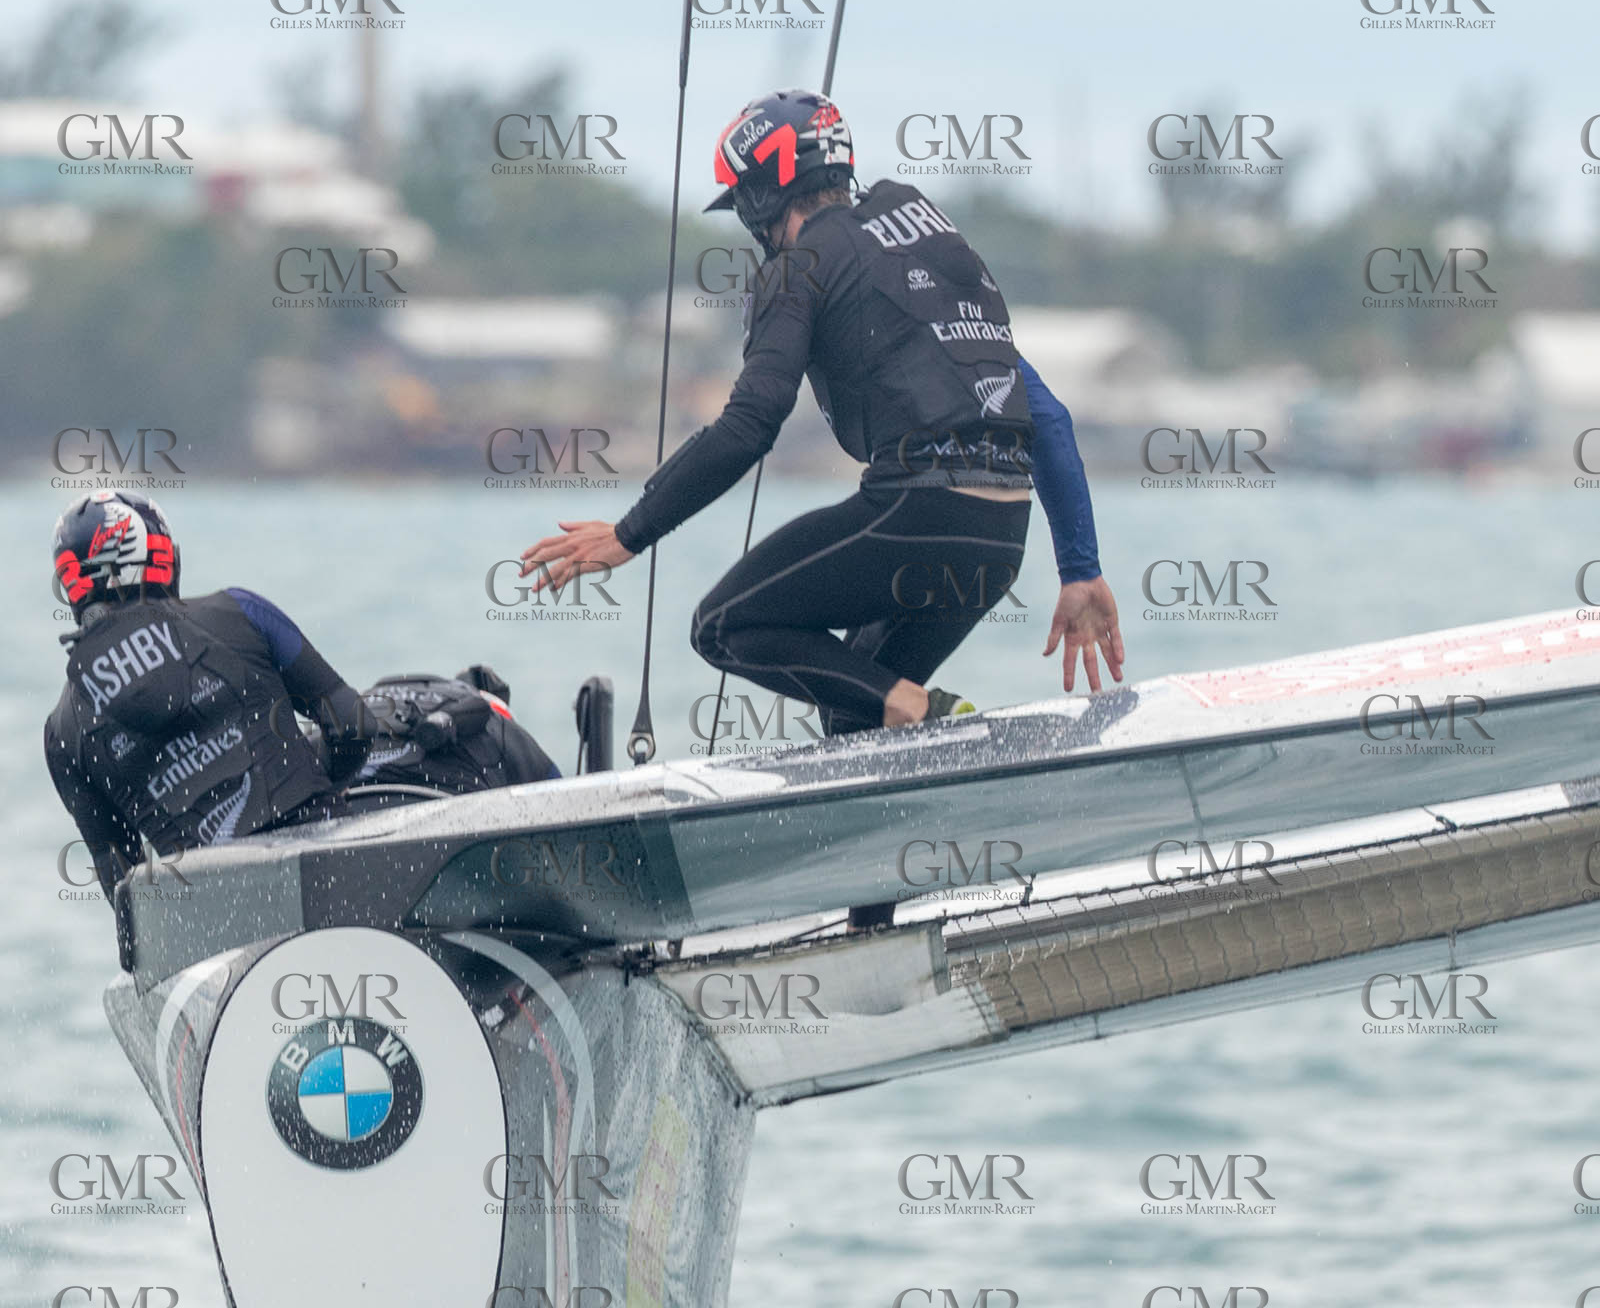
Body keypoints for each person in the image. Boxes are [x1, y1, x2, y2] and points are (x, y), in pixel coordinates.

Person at [519, 88, 1124, 736]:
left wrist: (628, 534)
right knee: (855, 709)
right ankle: (917, 782)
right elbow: (1049, 418)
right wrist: (1080, 570)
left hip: (919, 514)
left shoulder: (796, 267)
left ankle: (933, 715)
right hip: (999, 541)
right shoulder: (926, 240)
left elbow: (750, 424)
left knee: (726, 625)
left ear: (761, 196)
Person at [44, 489, 377, 900]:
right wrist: (320, 782)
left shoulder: (62, 730)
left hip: (216, 922)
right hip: (334, 875)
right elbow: (353, 723)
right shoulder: (241, 611)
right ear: (162, 558)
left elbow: (124, 890)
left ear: (72, 583)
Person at [336, 665, 559, 796]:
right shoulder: (492, 717)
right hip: (449, 815)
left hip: (343, 804)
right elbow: (557, 798)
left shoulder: (362, 708)